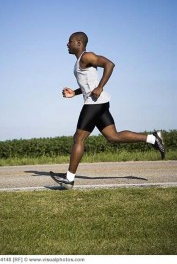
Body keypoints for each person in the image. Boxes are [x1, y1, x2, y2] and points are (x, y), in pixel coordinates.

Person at [50, 31, 165, 189]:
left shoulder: (86, 56)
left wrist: (100, 86)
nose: (67, 44)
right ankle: (152, 139)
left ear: (78, 42)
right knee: (113, 137)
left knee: (78, 138)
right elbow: (87, 84)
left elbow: (109, 64)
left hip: (94, 103)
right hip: (99, 102)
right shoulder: (79, 62)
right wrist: (75, 93)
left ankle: (69, 179)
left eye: (69, 41)